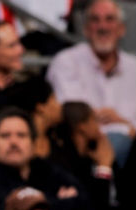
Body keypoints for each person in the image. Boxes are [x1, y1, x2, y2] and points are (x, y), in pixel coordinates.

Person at [47, 0, 136, 165]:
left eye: (110, 19)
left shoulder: (134, 68)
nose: (103, 27)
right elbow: (73, 113)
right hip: (83, 147)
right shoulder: (66, 61)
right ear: (86, 29)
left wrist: (123, 123)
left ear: (121, 29)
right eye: (95, 20)